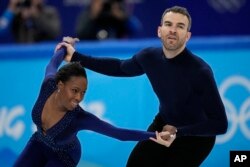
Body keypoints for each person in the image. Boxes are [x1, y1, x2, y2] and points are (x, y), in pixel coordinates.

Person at [57, 5, 228, 167]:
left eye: (180, 26)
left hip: (196, 137)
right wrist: (75, 57)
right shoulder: (149, 57)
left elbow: (220, 124)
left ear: (187, 36)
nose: (173, 30)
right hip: (164, 124)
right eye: (168, 24)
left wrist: (178, 131)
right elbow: (118, 67)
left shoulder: (200, 71)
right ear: (159, 30)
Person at [13, 39, 174, 167]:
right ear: (60, 85)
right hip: (39, 143)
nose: (79, 98)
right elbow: (52, 64)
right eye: (75, 90)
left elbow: (118, 133)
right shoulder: (48, 86)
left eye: (83, 93)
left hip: (64, 157)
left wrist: (154, 135)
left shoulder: (79, 118)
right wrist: (65, 46)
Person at [75, 0, 142, 40]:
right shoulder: (89, 13)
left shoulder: (117, 14)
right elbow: (80, 34)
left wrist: (122, 16)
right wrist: (93, 15)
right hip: (94, 52)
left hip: (115, 51)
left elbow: (136, 29)